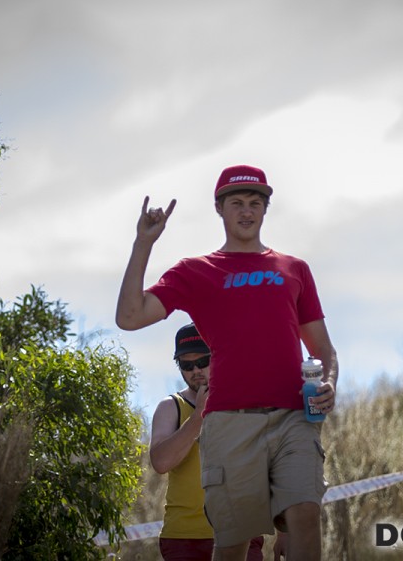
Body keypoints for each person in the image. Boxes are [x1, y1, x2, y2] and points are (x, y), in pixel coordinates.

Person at [117, 165, 338, 560]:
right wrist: (143, 244)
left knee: (305, 512)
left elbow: (323, 350)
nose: (247, 211)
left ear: (266, 209)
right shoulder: (196, 271)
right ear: (219, 209)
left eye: (256, 203)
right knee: (234, 544)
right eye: (236, 202)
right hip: (229, 422)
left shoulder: (294, 269)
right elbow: (130, 317)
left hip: (294, 417)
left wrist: (330, 383)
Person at [149, 323, 265, 560]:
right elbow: (160, 463)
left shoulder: (246, 401)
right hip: (185, 538)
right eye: (186, 365)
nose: (196, 371)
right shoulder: (170, 406)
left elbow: (271, 463)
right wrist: (199, 415)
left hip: (242, 532)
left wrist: (285, 530)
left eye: (203, 362)